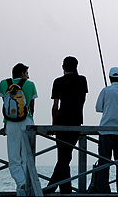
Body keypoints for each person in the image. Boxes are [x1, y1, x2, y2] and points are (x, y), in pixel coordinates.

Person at [45, 56, 88, 194]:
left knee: (63, 157)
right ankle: (65, 190)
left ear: (63, 67)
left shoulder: (58, 82)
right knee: (66, 157)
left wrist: (54, 125)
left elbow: (55, 106)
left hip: (62, 122)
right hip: (76, 122)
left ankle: (51, 189)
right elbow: (83, 100)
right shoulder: (82, 80)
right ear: (76, 66)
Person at [0, 63, 38, 196]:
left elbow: (5, 106)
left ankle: (21, 185)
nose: (28, 76)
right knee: (27, 156)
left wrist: (5, 124)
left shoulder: (3, 84)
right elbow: (31, 108)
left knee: (14, 157)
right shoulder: (30, 85)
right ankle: (26, 185)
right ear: (22, 73)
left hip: (11, 122)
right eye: (27, 73)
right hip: (27, 122)